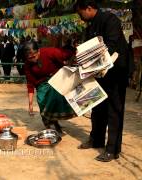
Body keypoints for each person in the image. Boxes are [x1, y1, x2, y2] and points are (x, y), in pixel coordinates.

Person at [75, 0, 130, 162]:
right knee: (97, 106)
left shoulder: (110, 19)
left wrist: (90, 60)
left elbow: (110, 46)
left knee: (114, 111)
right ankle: (96, 139)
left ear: (89, 8)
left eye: (80, 13)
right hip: (98, 73)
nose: (80, 17)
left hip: (116, 72)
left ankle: (112, 149)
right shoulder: (91, 25)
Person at [23, 41, 76, 133]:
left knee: (54, 96)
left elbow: (69, 53)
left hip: (57, 78)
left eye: (34, 56)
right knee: (41, 100)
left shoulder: (51, 52)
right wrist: (30, 103)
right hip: (41, 84)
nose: (32, 60)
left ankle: (56, 121)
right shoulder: (27, 64)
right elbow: (30, 84)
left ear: (38, 51)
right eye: (29, 58)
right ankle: (50, 125)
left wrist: (71, 60)